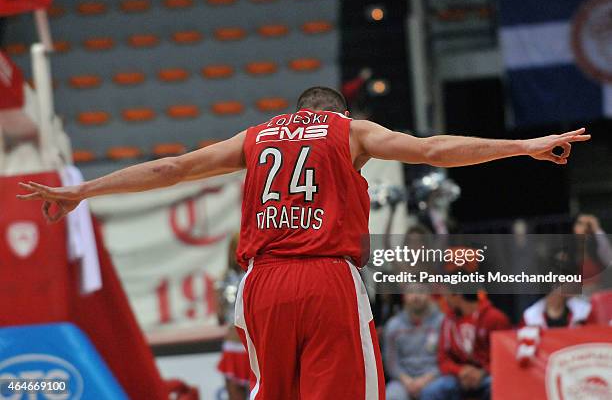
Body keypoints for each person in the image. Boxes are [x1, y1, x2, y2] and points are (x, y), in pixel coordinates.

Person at [17, 86, 590, 399]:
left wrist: (83, 191)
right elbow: (435, 150)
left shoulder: (257, 136)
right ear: (336, 115)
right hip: (323, 276)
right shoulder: (351, 132)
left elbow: (171, 169)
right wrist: (524, 147)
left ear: (295, 114)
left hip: (261, 284)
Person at [423, 293, 511, 400]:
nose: (445, 300)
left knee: (497, 386)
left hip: (488, 374)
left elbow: (505, 358)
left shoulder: (494, 318)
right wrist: (460, 371)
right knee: (431, 392)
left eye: (447, 295)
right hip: (459, 376)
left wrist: (483, 372)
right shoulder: (448, 320)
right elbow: (443, 358)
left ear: (458, 296)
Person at [384, 284, 443, 400]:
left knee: (435, 392)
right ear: (404, 296)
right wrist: (407, 381)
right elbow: (391, 362)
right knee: (392, 396)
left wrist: (425, 380)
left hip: (434, 378)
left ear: (430, 295)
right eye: (411, 292)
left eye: (421, 291)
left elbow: (446, 358)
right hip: (402, 381)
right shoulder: (393, 326)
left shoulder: (442, 322)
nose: (416, 296)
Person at [217, 233, 252, 399]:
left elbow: (220, 317)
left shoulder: (223, 279)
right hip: (244, 345)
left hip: (244, 345)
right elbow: (220, 317)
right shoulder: (254, 274)